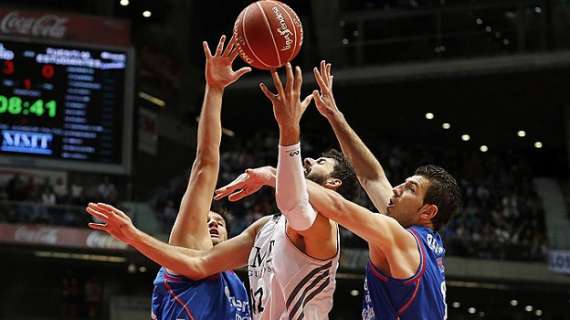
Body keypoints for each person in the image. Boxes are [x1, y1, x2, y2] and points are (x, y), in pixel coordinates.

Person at [87, 63, 359, 319]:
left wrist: (287, 137)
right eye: (209, 222)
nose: (310, 160)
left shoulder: (321, 227)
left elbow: (296, 202)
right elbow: (200, 261)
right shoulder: (262, 230)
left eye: (321, 161)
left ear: (334, 184)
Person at [221, 61, 461, 319]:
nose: (397, 188)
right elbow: (371, 176)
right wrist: (335, 116)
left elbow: (338, 207)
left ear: (427, 211)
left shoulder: (401, 239)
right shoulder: (419, 239)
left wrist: (274, 174)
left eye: (410, 188)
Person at [87, 34, 252, 320]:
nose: (212, 224)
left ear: (230, 236)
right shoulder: (190, 250)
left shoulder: (238, 286)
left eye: (220, 222)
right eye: (206, 220)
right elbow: (206, 162)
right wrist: (214, 90)